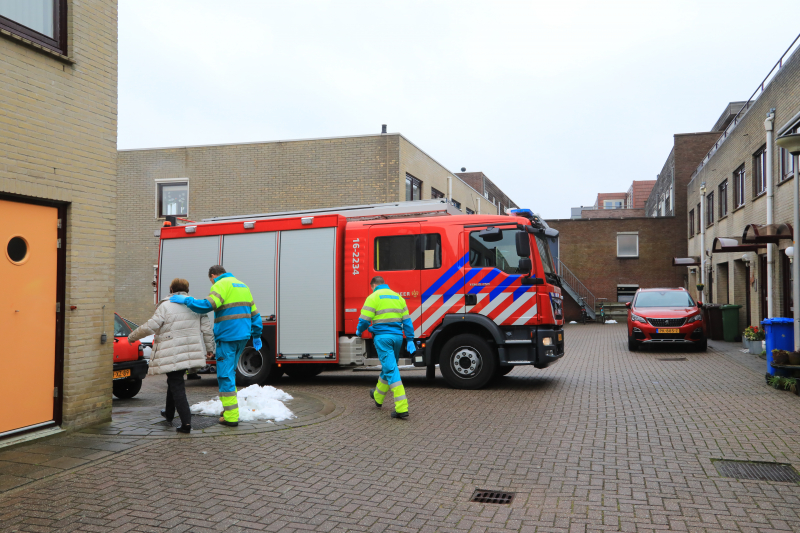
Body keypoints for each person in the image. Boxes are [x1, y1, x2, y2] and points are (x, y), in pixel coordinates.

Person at [170, 265, 262, 427]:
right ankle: (228, 409)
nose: (211, 284)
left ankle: (231, 417)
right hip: (242, 336)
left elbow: (207, 305)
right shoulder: (242, 285)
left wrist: (187, 301)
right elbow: (255, 314)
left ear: (213, 276)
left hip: (227, 336)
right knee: (230, 373)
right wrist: (257, 334)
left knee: (225, 376)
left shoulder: (221, 284)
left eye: (211, 280)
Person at [128, 278, 214, 434]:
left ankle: (186, 422)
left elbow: (151, 326)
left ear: (171, 290)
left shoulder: (165, 306)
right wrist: (210, 348)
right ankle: (168, 413)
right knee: (174, 381)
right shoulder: (196, 305)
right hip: (188, 351)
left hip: (171, 352)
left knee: (176, 384)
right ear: (187, 290)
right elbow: (207, 329)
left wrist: (132, 337)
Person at [356, 276, 414, 419]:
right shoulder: (398, 297)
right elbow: (407, 322)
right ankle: (378, 396)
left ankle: (402, 408)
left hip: (382, 339)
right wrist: (411, 339)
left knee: (391, 370)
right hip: (397, 338)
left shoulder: (373, 297)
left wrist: (359, 330)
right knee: (388, 367)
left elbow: (364, 320)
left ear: (374, 285)